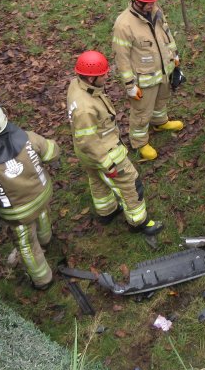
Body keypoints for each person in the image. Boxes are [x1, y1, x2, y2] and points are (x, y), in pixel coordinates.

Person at [66, 50, 163, 236]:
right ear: (91, 79)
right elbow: (88, 140)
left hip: (86, 154)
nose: (107, 76)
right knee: (129, 182)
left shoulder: (76, 86)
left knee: (96, 180)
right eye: (103, 74)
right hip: (103, 152)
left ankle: (106, 211)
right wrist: (107, 163)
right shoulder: (86, 109)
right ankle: (138, 222)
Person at [0, 100, 60, 290]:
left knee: (27, 246)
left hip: (17, 214)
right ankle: (47, 239)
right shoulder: (28, 138)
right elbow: (52, 152)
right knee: (42, 214)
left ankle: (43, 280)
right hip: (42, 194)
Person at [112, 0, 183, 162]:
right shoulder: (124, 24)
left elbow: (166, 33)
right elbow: (122, 58)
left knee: (161, 101)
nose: (152, 5)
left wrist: (174, 55)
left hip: (163, 71)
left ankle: (160, 123)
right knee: (142, 111)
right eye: (148, 3)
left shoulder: (156, 11)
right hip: (144, 78)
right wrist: (129, 85)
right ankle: (139, 142)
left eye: (153, 2)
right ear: (136, 1)